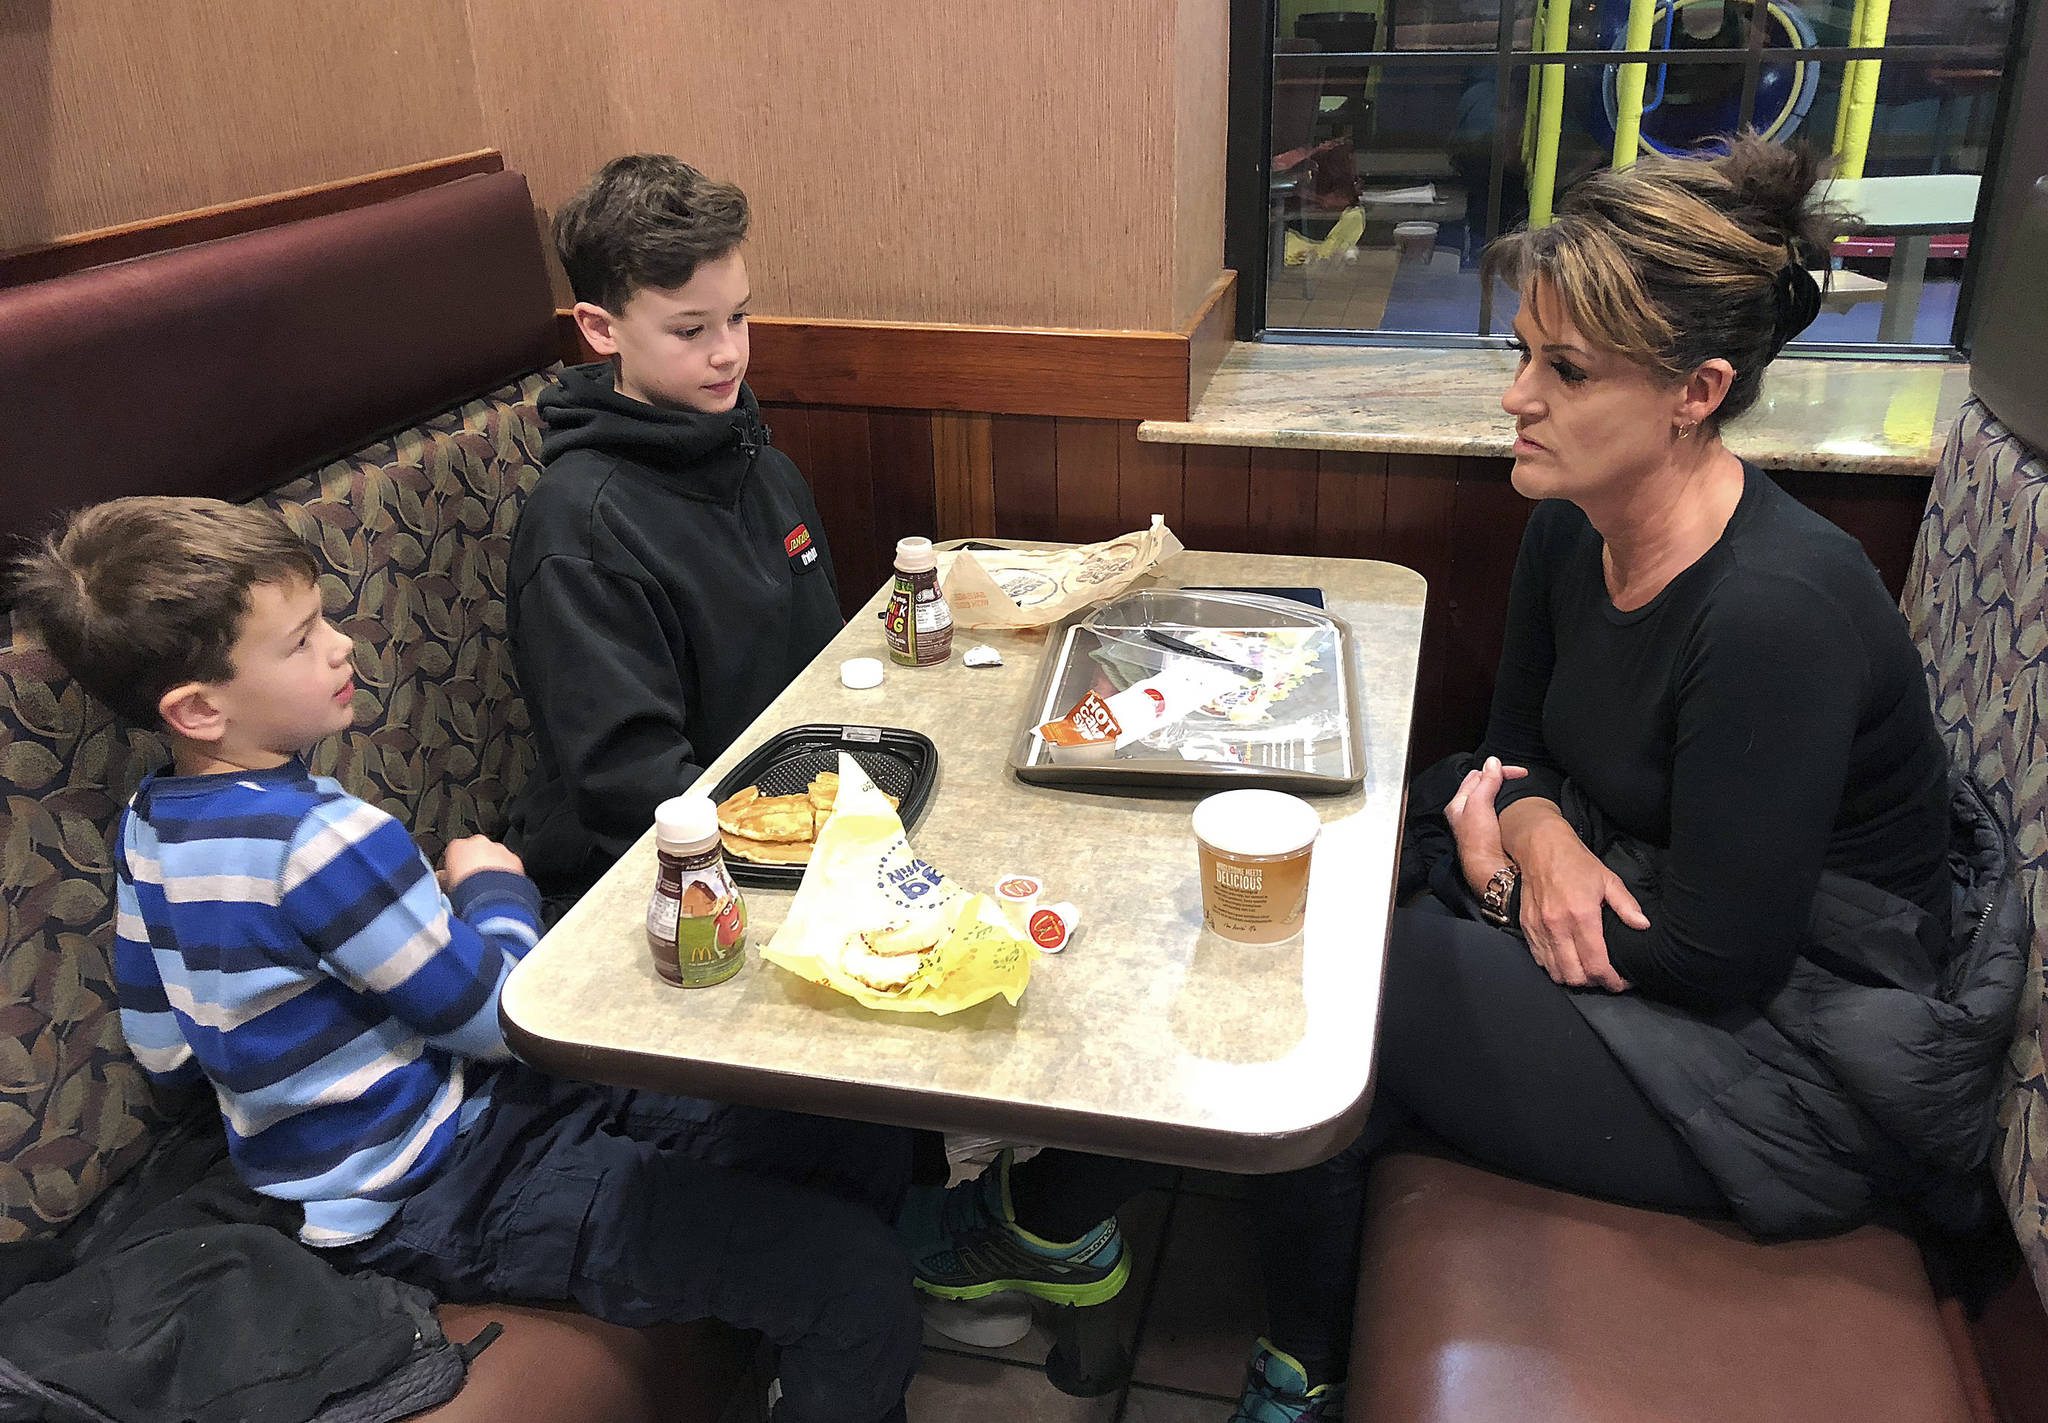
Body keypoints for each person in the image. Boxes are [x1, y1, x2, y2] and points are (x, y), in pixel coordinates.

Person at [905, 133, 2022, 1423]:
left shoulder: (1775, 611)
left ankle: (1056, 1224)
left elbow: (1722, 955)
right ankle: (1262, 1331)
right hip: (1646, 913)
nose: (1515, 398)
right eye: (1520, 355)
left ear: (1695, 392)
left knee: (1343, 988)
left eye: (1564, 369)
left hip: (1804, 1051)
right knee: (1334, 875)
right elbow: (1512, 745)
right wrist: (1534, 822)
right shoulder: (1571, 517)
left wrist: (1498, 881)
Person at [13, 498, 921, 1423]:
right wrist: (494, 889)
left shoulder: (146, 826)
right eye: (299, 641)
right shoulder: (323, 841)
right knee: (856, 1285)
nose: (340, 646)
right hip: (446, 1184)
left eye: (326, 617)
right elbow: (503, 1018)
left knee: (835, 1121)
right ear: (198, 707)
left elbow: (163, 1049)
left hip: (372, 1160)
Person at [507, 154, 843, 908]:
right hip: (661, 876)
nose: (727, 351)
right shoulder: (583, 530)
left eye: (738, 316)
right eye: (690, 329)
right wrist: (810, 839)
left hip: (802, 818)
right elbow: (630, 789)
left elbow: (824, 662)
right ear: (600, 329)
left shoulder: (760, 462)